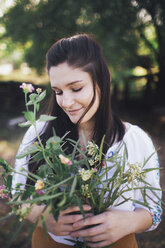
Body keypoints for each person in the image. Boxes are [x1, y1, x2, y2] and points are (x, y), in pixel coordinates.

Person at [13, 33, 162, 248]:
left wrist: (131, 221)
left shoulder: (135, 140)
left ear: (103, 80)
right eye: (58, 91)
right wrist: (39, 214)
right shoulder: (38, 134)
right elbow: (18, 194)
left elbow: (154, 209)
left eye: (76, 88)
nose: (66, 102)